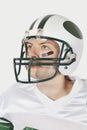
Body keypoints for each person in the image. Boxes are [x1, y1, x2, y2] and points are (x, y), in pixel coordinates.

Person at [0, 14, 87, 130]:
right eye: (29, 46)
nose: (32, 54)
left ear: (68, 55)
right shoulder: (12, 97)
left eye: (44, 47)